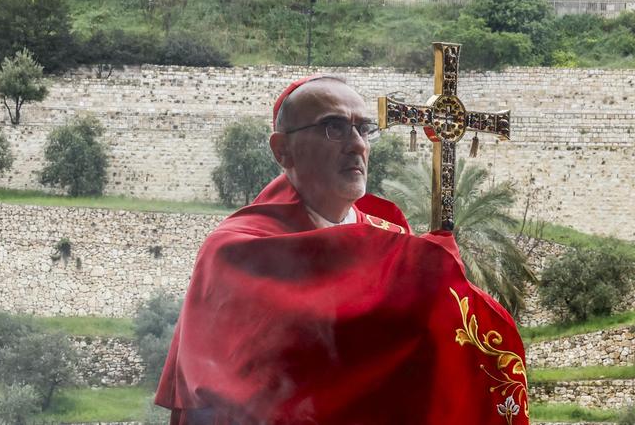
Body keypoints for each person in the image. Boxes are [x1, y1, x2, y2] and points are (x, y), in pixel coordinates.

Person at [155, 75, 529, 425]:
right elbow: (237, 390)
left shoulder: (392, 236)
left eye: (363, 128)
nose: (358, 144)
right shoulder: (238, 252)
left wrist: (441, 288)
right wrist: (426, 272)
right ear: (282, 150)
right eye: (333, 127)